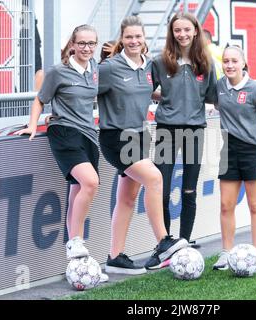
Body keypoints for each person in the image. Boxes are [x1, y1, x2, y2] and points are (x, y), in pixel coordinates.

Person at [97, 16, 188, 275]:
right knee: (155, 178)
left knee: (127, 198)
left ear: (144, 38)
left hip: (139, 135)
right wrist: (57, 112)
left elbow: (147, 92)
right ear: (121, 40)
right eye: (128, 37)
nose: (134, 41)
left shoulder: (148, 66)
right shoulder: (110, 68)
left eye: (138, 36)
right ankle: (162, 242)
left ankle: (115, 257)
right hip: (116, 137)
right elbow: (82, 89)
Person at [14, 25, 106, 275]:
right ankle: (75, 241)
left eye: (91, 44)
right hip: (64, 132)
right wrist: (32, 125)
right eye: (82, 43)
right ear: (72, 44)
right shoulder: (58, 71)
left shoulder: (95, 69)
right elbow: (40, 99)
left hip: (88, 135)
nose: (87, 48)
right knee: (91, 183)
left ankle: (75, 255)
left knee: (78, 189)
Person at [152, 12, 217, 254]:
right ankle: (165, 242)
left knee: (189, 189)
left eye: (186, 30)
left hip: (195, 130)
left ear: (196, 31)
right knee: (163, 189)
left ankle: (185, 243)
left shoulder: (206, 63)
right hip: (166, 130)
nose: (182, 34)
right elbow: (143, 88)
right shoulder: (160, 62)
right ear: (172, 33)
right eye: (177, 30)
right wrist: (166, 97)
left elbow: (213, 97)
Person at [211, 46, 256, 271]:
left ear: (243, 62)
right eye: (226, 61)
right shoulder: (219, 86)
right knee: (226, 205)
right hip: (229, 150)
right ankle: (226, 253)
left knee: (255, 205)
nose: (229, 65)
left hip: (253, 151)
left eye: (234, 61)